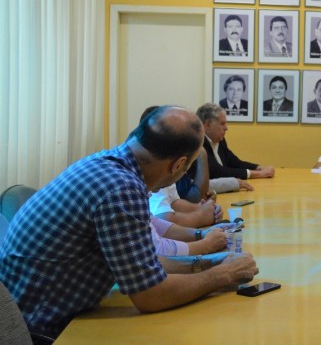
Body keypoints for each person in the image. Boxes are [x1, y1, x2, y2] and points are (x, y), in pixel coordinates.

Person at [0, 106, 259, 339]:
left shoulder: (109, 164)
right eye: (186, 167)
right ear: (178, 164)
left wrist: (211, 262)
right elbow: (151, 295)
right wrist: (223, 274)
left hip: (39, 312)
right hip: (43, 331)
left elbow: (143, 263)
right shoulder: (121, 188)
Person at [197, 103, 275, 182]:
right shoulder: (198, 143)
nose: (226, 128)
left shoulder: (220, 140)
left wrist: (258, 168)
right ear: (208, 124)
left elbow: (235, 162)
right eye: (222, 124)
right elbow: (217, 172)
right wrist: (259, 174)